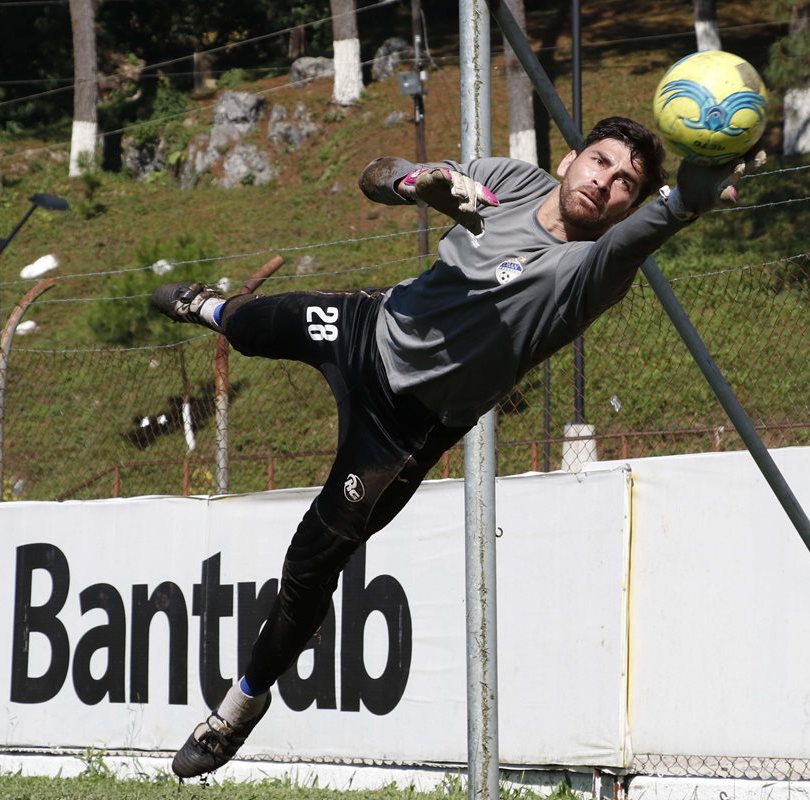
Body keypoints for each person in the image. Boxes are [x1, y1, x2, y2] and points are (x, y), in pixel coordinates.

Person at [151, 116, 760, 778]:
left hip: (401, 426)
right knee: (249, 324)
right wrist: (419, 181)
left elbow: (639, 238)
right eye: (600, 161)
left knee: (309, 563)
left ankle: (238, 708)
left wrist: (681, 204)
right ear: (568, 160)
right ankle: (212, 308)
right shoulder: (508, 182)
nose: (605, 182)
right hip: (369, 325)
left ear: (629, 206)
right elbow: (374, 175)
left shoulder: (594, 269)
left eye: (626, 184)